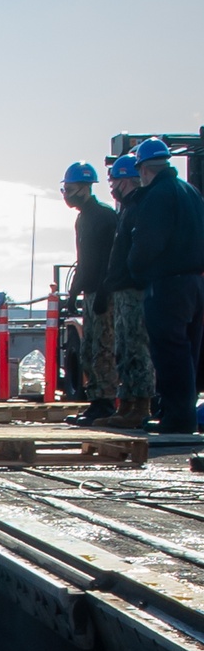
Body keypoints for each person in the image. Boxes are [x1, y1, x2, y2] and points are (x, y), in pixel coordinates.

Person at [127, 137, 204, 435]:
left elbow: (147, 244)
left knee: (169, 352)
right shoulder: (191, 192)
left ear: (144, 169)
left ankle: (177, 418)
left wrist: (136, 270)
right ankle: (182, 412)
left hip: (168, 285)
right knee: (188, 352)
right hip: (195, 284)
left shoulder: (158, 196)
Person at [98, 155, 154, 430]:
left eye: (114, 180)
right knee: (123, 348)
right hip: (122, 288)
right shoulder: (127, 209)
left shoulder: (138, 208)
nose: (112, 186)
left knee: (135, 348)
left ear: (126, 179)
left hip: (133, 289)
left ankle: (140, 405)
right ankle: (128, 403)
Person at [61, 162, 118, 426]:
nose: (66, 194)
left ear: (84, 188)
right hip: (91, 292)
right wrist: (73, 293)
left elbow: (111, 259)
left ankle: (106, 402)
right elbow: (83, 261)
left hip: (104, 292)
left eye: (69, 189)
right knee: (90, 350)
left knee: (104, 349)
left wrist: (106, 291)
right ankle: (96, 399)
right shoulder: (82, 219)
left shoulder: (105, 217)